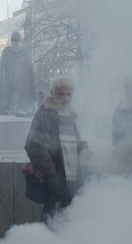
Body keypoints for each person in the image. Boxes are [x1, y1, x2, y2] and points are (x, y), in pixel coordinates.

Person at [25, 77, 89, 222]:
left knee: (70, 218)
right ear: (52, 93)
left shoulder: (72, 114)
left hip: (73, 176)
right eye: (61, 94)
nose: (65, 98)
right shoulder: (44, 114)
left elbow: (73, 140)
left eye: (68, 94)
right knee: (50, 216)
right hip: (53, 177)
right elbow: (33, 146)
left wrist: (82, 147)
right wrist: (51, 171)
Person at [0, 31, 36, 115]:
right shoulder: (25, 53)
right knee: (19, 107)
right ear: (19, 40)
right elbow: (30, 70)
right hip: (22, 86)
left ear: (11, 39)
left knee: (10, 105)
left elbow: (0, 69)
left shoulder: (6, 51)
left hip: (8, 85)